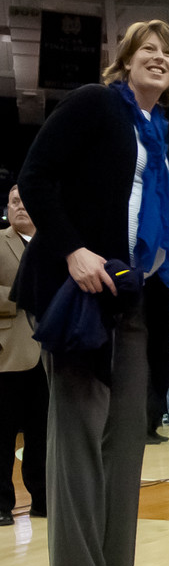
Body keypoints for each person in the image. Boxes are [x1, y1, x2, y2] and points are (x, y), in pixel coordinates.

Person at [13, 19, 169, 566]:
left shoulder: (165, 129)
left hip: (138, 295)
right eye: (147, 50)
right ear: (125, 60)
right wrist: (71, 249)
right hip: (80, 287)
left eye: (168, 53)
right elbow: (34, 178)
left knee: (126, 442)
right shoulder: (92, 103)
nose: (158, 59)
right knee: (77, 440)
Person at [0, 185, 48, 526]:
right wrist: (27, 294)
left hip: (51, 357)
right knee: (2, 436)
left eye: (26, 201)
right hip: (8, 354)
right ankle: (2, 505)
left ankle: (44, 501)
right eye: (14, 201)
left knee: (43, 436)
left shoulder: (57, 244)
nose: (20, 207)